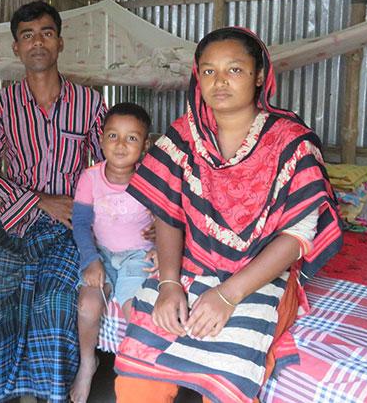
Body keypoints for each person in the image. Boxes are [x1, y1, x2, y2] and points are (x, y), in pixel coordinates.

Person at [114, 27, 342, 403]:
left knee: (229, 374)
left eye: (234, 70)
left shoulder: (290, 141)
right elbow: (168, 213)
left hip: (260, 274)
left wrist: (228, 295)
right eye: (208, 71)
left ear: (258, 76)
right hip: (191, 264)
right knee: (139, 377)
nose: (219, 81)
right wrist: (170, 284)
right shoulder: (184, 135)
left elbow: (298, 236)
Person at [0, 0, 107, 403]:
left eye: (46, 33)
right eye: (27, 36)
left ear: (60, 42)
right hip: (15, 225)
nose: (37, 42)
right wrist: (39, 201)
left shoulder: (90, 103)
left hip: (68, 228)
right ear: (16, 48)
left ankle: (50, 395)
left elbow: (109, 165)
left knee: (53, 307)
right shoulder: (1, 104)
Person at [69, 102, 158, 403]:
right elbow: (80, 223)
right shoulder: (90, 178)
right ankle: (87, 364)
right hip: (102, 253)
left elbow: (169, 217)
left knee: (136, 312)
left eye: (132, 138)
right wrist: (90, 259)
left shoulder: (151, 178)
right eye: (113, 136)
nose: (121, 145)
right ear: (101, 139)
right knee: (87, 307)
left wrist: (159, 243)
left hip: (137, 256)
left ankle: (133, 375)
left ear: (146, 144)